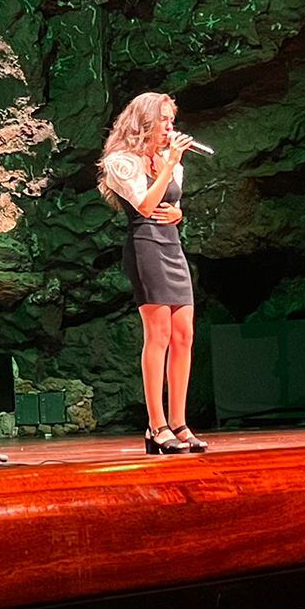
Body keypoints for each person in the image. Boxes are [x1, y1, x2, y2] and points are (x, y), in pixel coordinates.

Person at [99, 93, 209, 454]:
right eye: (163, 119)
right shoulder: (121, 162)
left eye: (171, 120)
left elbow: (170, 204)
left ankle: (179, 423)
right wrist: (166, 165)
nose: (170, 127)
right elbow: (145, 205)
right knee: (158, 334)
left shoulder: (171, 163)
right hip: (145, 247)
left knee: (184, 335)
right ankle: (155, 424)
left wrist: (179, 213)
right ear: (145, 121)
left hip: (171, 245)